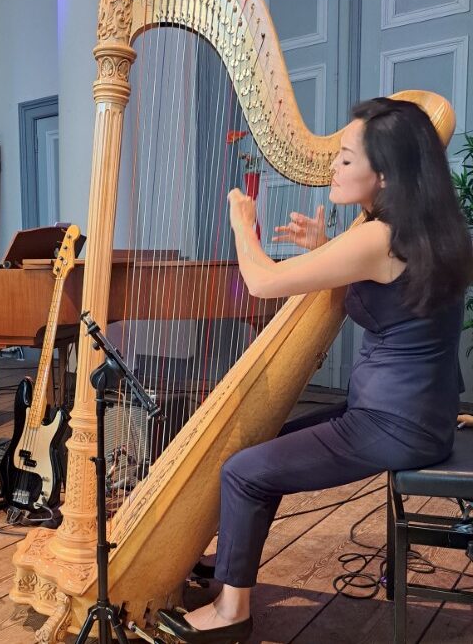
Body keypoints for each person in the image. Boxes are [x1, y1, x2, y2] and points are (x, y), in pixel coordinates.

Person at [157, 98, 473, 643]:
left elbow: (259, 281)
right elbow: (393, 293)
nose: (333, 166)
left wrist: (242, 225)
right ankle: (231, 566)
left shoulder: (376, 235)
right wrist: (325, 249)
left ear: (385, 174)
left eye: (346, 159)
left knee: (243, 469)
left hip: (391, 424)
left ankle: (231, 613)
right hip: (423, 413)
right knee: (265, 446)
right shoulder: (428, 227)